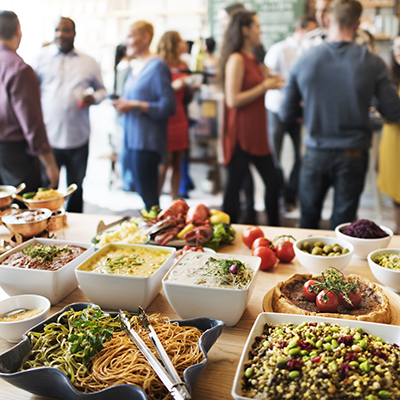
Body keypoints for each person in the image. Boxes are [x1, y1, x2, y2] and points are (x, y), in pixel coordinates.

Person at [280, 0, 400, 230]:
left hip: (315, 151)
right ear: (357, 26)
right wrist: (366, 108)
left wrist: (313, 112)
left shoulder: (303, 60)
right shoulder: (373, 63)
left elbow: (287, 113)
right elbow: (393, 112)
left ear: (326, 20)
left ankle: (303, 266)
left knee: (308, 221)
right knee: (344, 225)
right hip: (353, 153)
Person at [32, 17, 106, 213]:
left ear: (74, 33)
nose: (60, 34)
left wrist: (94, 97)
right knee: (48, 189)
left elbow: (102, 91)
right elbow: (29, 93)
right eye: (57, 29)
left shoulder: (89, 62)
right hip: (49, 139)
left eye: (65, 30)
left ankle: (75, 229)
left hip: (78, 137)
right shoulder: (39, 58)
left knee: (76, 187)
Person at [220, 9, 284, 226]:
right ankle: (225, 237)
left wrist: (273, 81)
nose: (261, 30)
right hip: (241, 134)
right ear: (245, 30)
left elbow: (266, 78)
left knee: (273, 184)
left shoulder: (254, 57)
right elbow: (233, 100)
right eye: (257, 26)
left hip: (257, 133)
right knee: (233, 190)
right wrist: (264, 86)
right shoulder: (236, 59)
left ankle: (275, 231)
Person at [113, 21, 175, 211]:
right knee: (142, 194)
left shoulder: (157, 66)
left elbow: (168, 106)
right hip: (131, 140)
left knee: (150, 199)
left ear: (146, 37)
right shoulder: (135, 66)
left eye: (130, 36)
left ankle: (156, 236)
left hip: (147, 142)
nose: (126, 42)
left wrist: (135, 105)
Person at [0, 10, 59, 194]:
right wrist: (49, 164)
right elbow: (32, 124)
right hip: (16, 155)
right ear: (18, 30)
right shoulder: (19, 69)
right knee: (24, 215)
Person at [265, 15, 317, 212]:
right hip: (277, 109)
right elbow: (268, 77)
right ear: (301, 30)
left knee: (301, 156)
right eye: (312, 32)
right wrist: (291, 84)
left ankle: (290, 194)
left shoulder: (310, 52)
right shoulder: (279, 49)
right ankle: (280, 194)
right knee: (274, 156)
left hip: (299, 111)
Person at [157, 31, 190, 200]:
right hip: (166, 119)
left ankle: (174, 199)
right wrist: (173, 86)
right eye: (180, 41)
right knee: (163, 162)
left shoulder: (183, 65)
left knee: (178, 161)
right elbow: (156, 91)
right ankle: (155, 201)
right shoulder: (159, 64)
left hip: (181, 116)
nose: (184, 44)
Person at [377, 36, 400, 234]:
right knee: (396, 193)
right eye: (396, 46)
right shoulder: (389, 78)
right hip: (393, 142)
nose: (398, 50)